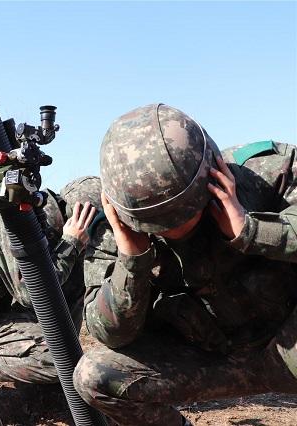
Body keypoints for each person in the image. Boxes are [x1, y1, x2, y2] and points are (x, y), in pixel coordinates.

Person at [73, 103, 297, 426]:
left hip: (286, 348)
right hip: (208, 363)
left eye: (189, 211)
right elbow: (107, 332)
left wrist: (251, 230)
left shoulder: (269, 172)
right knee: (93, 375)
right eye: (162, 226)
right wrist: (133, 263)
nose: (178, 229)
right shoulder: (113, 231)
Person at [0, 187, 98, 409]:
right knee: (63, 360)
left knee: (74, 281)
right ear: (80, 214)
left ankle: (53, 374)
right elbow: (32, 293)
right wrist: (71, 244)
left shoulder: (49, 220)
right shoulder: (22, 220)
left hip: (9, 311)